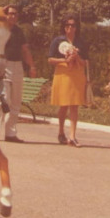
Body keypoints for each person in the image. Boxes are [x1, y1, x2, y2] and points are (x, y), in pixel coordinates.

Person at [0, 4, 37, 143]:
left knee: (16, 101)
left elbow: (25, 50)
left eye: (15, 14)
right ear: (5, 15)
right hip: (3, 65)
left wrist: (32, 67)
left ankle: (10, 133)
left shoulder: (19, 31)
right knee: (3, 100)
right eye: (10, 13)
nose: (12, 16)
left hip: (17, 66)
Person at [47, 14, 89, 147]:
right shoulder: (58, 41)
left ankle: (72, 136)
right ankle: (61, 132)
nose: (70, 28)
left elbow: (86, 62)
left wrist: (77, 58)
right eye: (67, 25)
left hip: (77, 75)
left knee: (74, 105)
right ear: (64, 27)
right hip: (63, 74)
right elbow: (50, 59)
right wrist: (64, 60)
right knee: (64, 105)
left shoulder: (81, 42)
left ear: (77, 27)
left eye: (73, 25)